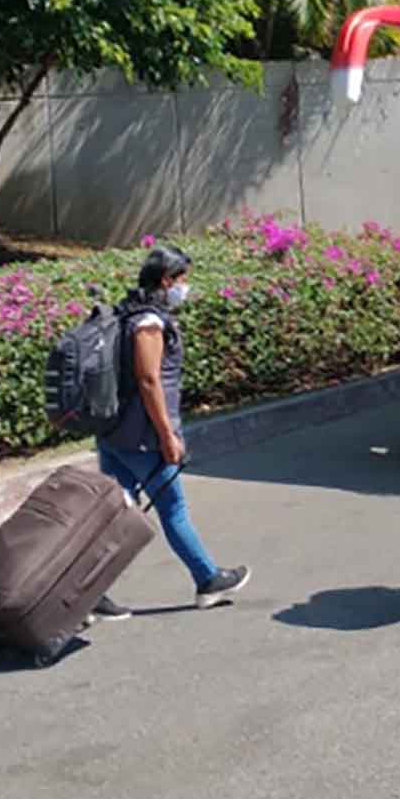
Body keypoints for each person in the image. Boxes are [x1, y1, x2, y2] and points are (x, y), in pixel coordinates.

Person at [98, 245, 251, 612]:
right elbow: (149, 380)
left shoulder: (126, 312)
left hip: (115, 432)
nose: (186, 287)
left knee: (114, 514)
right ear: (166, 280)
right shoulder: (148, 322)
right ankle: (207, 578)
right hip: (142, 436)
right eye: (183, 279)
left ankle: (88, 591)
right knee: (173, 508)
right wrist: (167, 435)